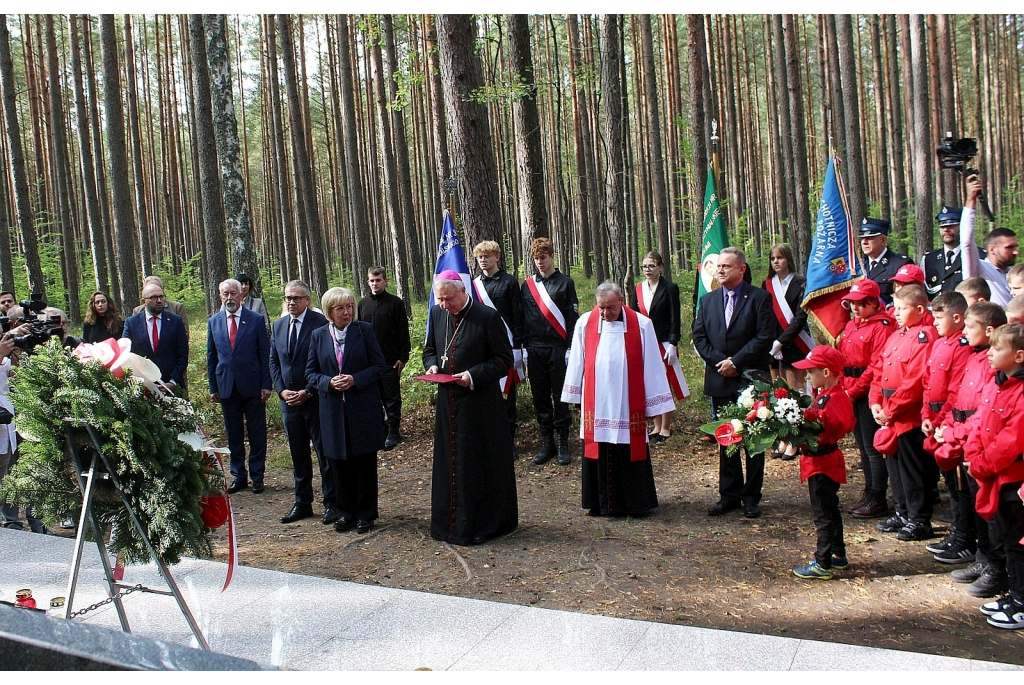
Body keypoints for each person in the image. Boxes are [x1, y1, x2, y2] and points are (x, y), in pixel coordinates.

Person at [562, 282, 674, 516]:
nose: (605, 313)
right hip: (597, 402)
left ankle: (635, 503)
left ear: (621, 301)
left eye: (610, 308)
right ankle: (599, 502)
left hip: (627, 403)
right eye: (601, 308)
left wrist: (653, 403)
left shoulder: (642, 325)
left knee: (628, 447)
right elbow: (577, 361)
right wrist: (575, 396)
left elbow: (652, 365)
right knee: (598, 448)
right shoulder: (585, 322)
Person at [423, 271, 518, 545]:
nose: (444, 305)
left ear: (462, 291)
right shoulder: (437, 313)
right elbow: (429, 349)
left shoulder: (487, 317)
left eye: (448, 300)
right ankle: (448, 524)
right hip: (447, 405)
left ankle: (482, 523)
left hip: (480, 406)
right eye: (440, 300)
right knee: (450, 463)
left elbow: (503, 360)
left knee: (475, 464)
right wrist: (430, 365)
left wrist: (472, 375)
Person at [692, 246, 775, 518]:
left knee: (753, 438)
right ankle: (729, 495)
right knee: (726, 436)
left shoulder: (760, 298)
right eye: (718, 266)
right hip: (720, 376)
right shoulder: (708, 301)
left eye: (726, 266)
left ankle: (752, 496)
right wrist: (721, 362)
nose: (720, 270)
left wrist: (736, 362)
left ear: (741, 269)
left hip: (750, 377)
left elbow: (764, 337)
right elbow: (700, 337)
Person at [933, 302, 1006, 594]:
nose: (964, 331)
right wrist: (946, 423)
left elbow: (984, 413)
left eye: (970, 327)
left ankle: (996, 567)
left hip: (977, 442)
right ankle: (982, 556)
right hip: (963, 438)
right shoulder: (976, 358)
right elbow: (959, 395)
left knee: (990, 512)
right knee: (975, 506)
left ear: (989, 330)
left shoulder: (993, 365)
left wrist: (957, 431)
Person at [307, 287, 386, 535]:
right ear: (330, 311)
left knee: (363, 462)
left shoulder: (364, 331)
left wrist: (355, 379)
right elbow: (310, 373)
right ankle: (345, 512)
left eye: (350, 306)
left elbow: (379, 366)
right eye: (340, 308)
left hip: (362, 408)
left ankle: (365, 514)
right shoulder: (319, 335)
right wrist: (328, 382)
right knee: (338, 463)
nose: (346, 312)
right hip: (332, 411)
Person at [961, 323, 1024, 629]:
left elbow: (1011, 441)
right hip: (991, 475)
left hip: (1014, 479)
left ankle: (1022, 600)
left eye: (998, 348)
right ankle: (1015, 593)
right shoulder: (995, 384)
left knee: (1017, 541)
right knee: (1005, 538)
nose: (990, 353)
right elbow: (978, 423)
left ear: (1020, 355)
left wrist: (982, 464)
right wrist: (973, 456)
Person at [869, 284, 938, 541]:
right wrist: (875, 402)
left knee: (912, 469)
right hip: (888, 412)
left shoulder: (925, 336)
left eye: (901, 309)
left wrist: (892, 409)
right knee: (894, 467)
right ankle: (902, 511)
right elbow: (879, 370)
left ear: (920, 309)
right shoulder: (896, 335)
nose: (896, 313)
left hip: (907, 415)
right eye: (894, 308)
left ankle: (919, 519)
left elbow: (915, 381)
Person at [790, 347, 857, 579]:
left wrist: (808, 424)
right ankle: (837, 554)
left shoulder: (836, 398)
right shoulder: (826, 395)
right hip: (819, 461)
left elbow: (838, 425)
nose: (807, 377)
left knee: (823, 514)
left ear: (826, 372)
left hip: (823, 463)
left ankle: (823, 562)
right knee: (829, 508)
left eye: (810, 372)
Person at [270, 280, 333, 525]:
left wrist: (308, 390)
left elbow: (325, 362)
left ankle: (331, 503)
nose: (291, 302)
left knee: (324, 453)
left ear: (308, 299)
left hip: (314, 399)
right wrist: (282, 390)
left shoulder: (320, 324)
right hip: (289, 402)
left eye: (296, 298)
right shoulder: (279, 325)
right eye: (288, 298)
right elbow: (274, 362)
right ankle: (302, 502)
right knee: (298, 455)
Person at [919, 292, 973, 563]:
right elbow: (929, 384)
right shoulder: (940, 343)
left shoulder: (962, 346)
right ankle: (957, 533)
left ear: (957, 317)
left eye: (939, 317)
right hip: (938, 421)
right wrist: (926, 414)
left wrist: (941, 422)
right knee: (950, 483)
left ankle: (965, 538)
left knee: (960, 484)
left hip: (951, 422)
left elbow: (956, 391)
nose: (934, 322)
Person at [836, 279, 896, 519]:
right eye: (852, 304)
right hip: (850, 387)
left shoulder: (882, 326)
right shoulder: (852, 325)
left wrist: (855, 391)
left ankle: (878, 496)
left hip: (868, 390)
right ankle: (870, 490)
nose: (856, 308)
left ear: (873, 303)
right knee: (862, 446)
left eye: (862, 304)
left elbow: (875, 365)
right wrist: (841, 387)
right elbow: (842, 357)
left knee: (872, 448)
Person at [207, 278, 271, 494]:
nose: (230, 297)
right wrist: (213, 386)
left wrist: (266, 383)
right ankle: (238, 476)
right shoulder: (214, 322)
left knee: (256, 433)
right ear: (220, 296)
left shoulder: (255, 319)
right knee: (233, 434)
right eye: (225, 294)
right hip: (227, 385)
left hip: (252, 385)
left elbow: (264, 354)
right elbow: (211, 356)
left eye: (234, 293)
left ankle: (257, 476)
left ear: (241, 295)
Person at [521, 237, 578, 466]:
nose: (540, 262)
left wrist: (571, 347)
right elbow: (523, 317)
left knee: (560, 395)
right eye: (536, 259)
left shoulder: (565, 283)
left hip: (557, 347)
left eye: (543, 258)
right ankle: (547, 441)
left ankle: (563, 440)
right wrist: (523, 347)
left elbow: (572, 318)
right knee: (540, 396)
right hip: (534, 348)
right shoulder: (527, 286)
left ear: (551, 256)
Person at [629, 251, 688, 443]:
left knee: (665, 383)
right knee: (649, 383)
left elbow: (674, 317)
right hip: (645, 343)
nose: (648, 270)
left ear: (660, 267)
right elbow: (633, 318)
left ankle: (665, 427)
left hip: (664, 343)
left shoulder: (670, 288)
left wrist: (673, 342)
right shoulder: (638, 289)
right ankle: (655, 425)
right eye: (645, 266)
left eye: (652, 266)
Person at [472, 241, 526, 451]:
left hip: (506, 345)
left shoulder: (509, 282)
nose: (483, 260)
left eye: (487, 256)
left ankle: (508, 441)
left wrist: (517, 347)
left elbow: (517, 316)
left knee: (507, 395)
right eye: (480, 257)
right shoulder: (475, 284)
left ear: (497, 257)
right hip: (482, 347)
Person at [761, 243, 812, 459]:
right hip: (772, 344)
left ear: (788, 259)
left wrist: (782, 341)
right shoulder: (766, 285)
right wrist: (772, 342)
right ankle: (783, 437)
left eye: (780, 257)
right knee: (778, 394)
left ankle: (796, 439)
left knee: (795, 392)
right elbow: (764, 314)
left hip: (795, 343)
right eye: (773, 258)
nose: (776, 261)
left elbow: (801, 317)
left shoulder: (801, 283)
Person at [357, 266, 410, 451]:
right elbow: (357, 333)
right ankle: (381, 429)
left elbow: (403, 331)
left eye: (378, 280)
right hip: (369, 362)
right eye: (372, 280)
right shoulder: (362, 304)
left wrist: (403, 357)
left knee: (392, 397)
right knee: (374, 397)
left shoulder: (395, 303)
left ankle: (394, 431)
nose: (375, 283)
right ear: (367, 282)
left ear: (385, 281)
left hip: (390, 360)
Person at [961, 175, 1020, 307]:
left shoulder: (1014, 274)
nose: (1016, 252)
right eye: (1009, 247)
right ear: (992, 249)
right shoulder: (979, 270)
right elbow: (967, 243)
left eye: (1015, 247)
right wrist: (971, 201)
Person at [121, 282, 188, 388]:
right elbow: (126, 355)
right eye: (153, 297)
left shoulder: (175, 321)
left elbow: (183, 354)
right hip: (143, 387)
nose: (159, 300)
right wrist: (141, 382)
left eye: (161, 296)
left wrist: (173, 381)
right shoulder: (131, 323)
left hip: (172, 387)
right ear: (144, 301)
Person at [860, 217, 912, 306]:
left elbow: (909, 299)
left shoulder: (901, 264)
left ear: (883, 240)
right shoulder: (859, 265)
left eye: (869, 237)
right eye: (862, 238)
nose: (864, 242)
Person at [922, 206, 972, 298]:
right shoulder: (929, 259)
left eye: (951, 225)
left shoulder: (976, 256)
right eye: (943, 226)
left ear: (962, 226)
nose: (946, 230)